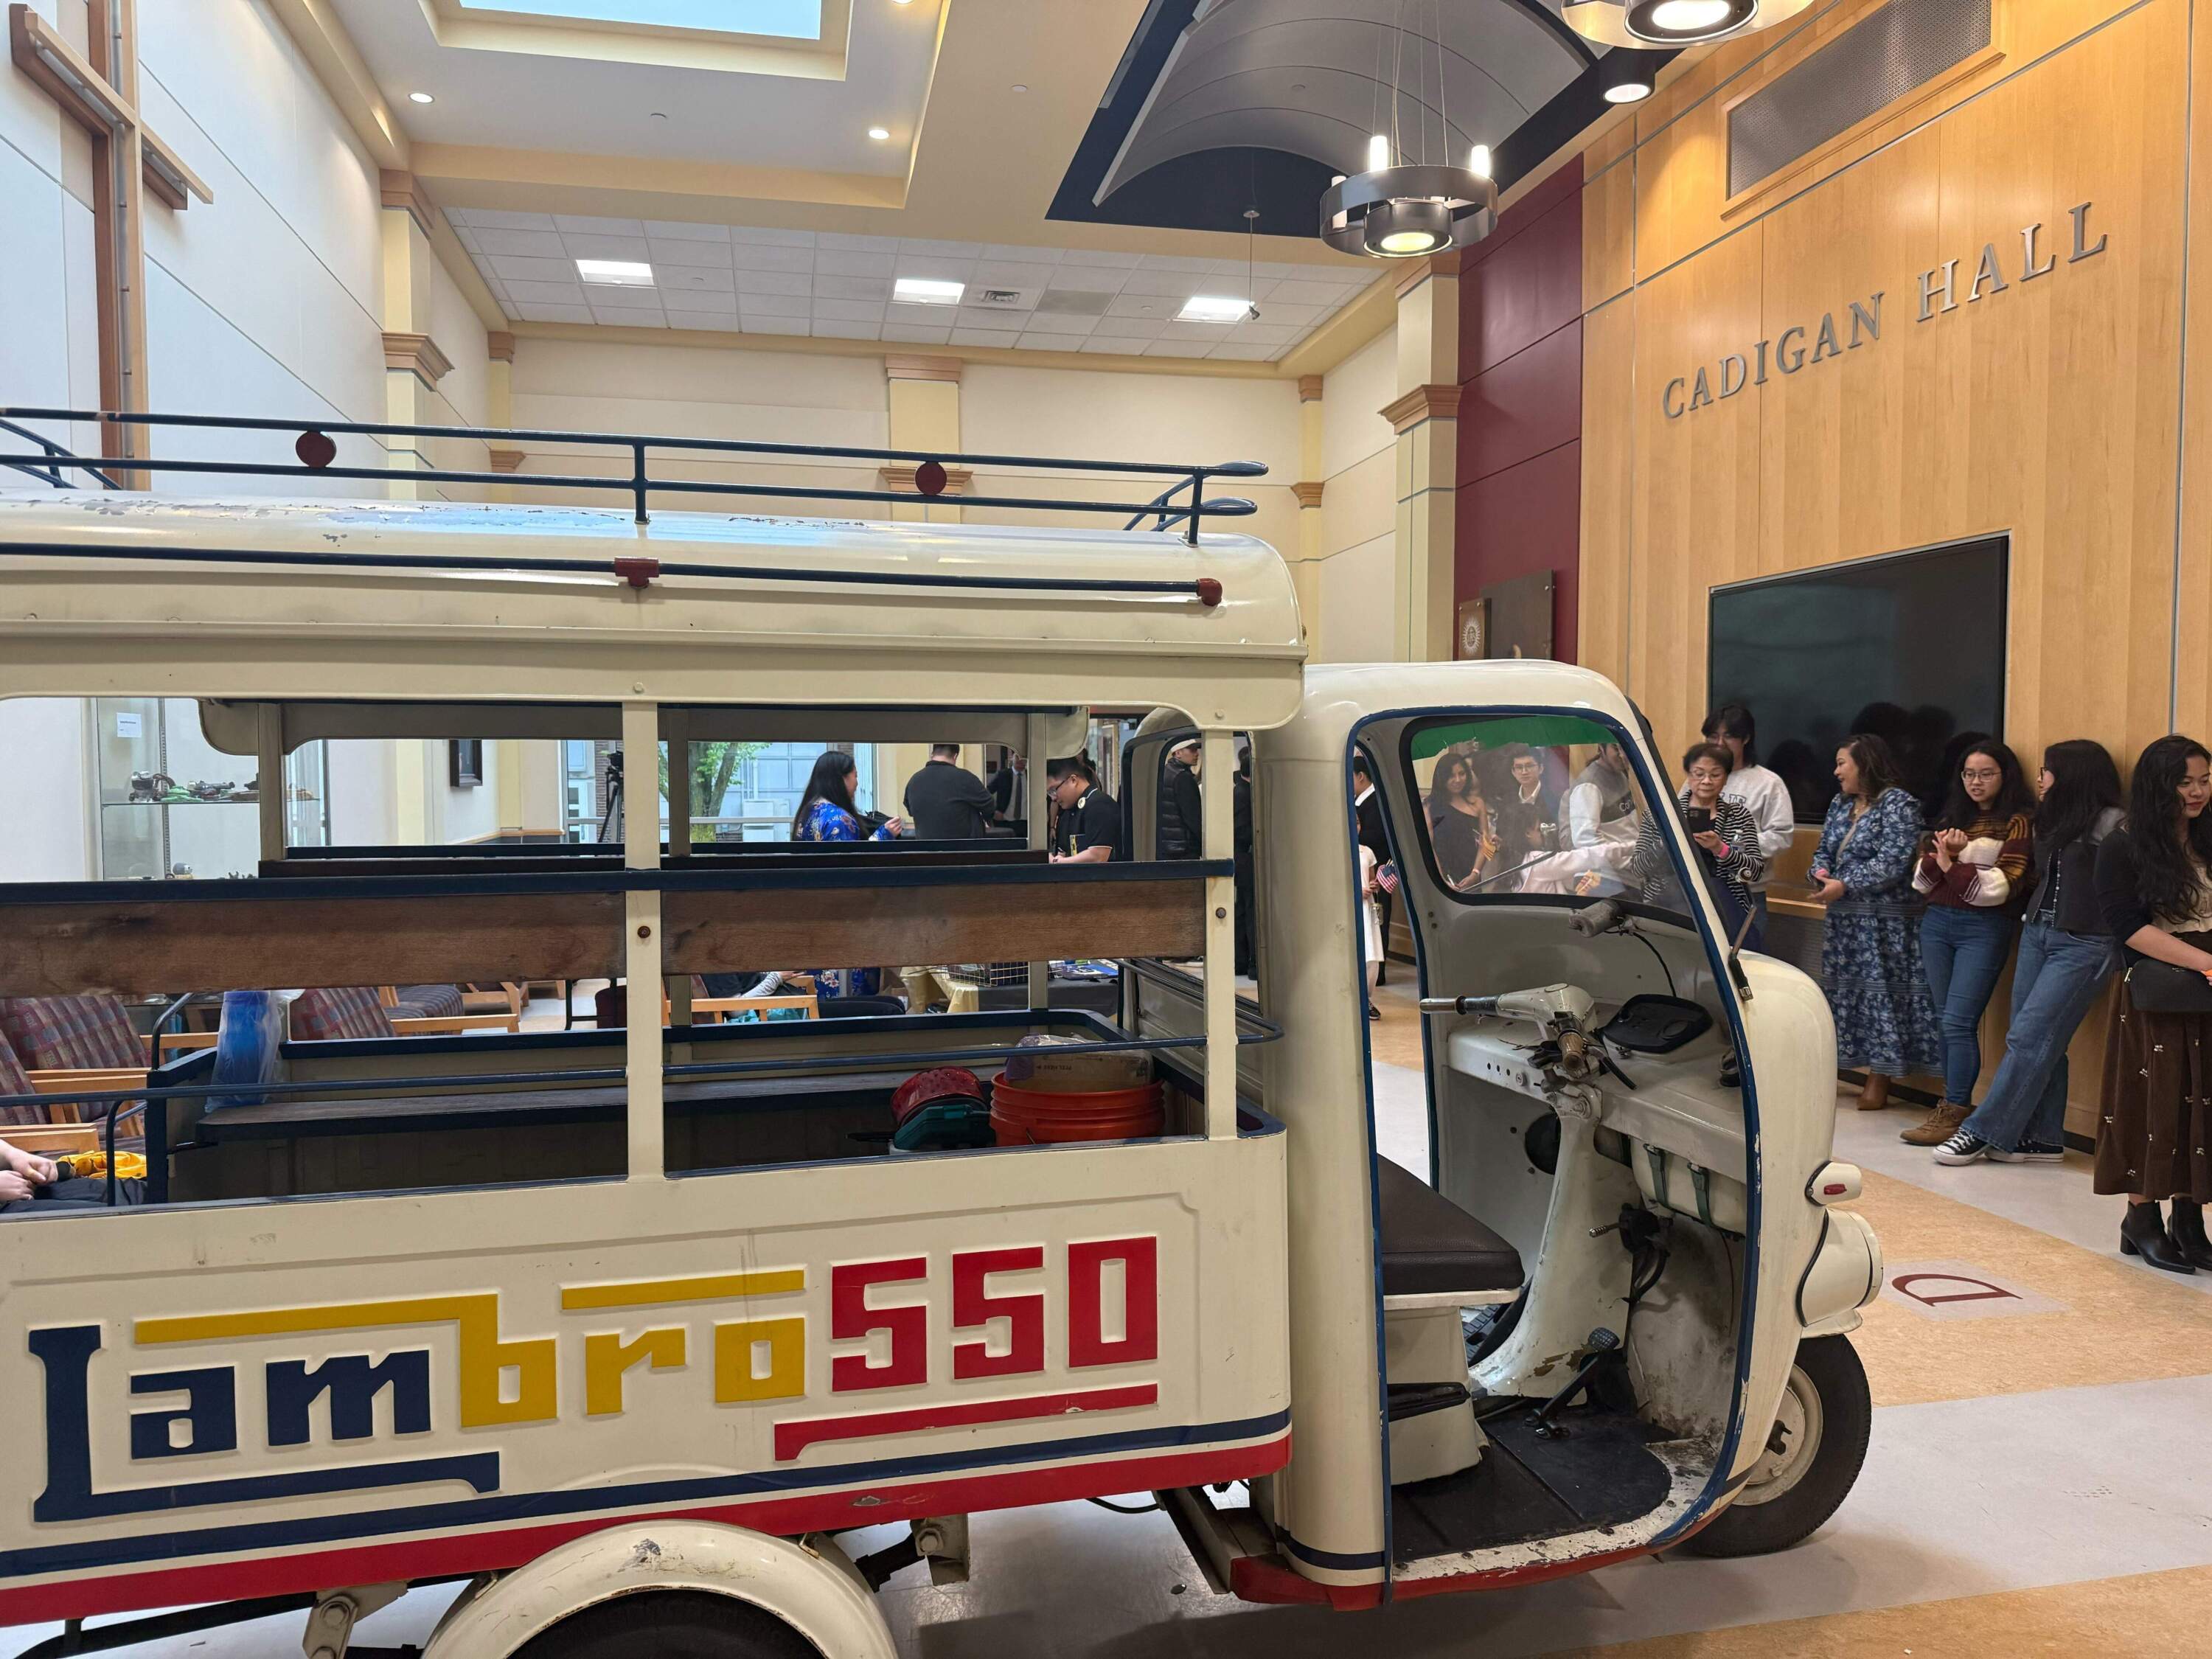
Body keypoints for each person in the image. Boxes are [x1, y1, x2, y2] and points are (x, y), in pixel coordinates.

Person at [1935, 740, 2124, 1166]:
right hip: (2038, 930)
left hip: (2086, 941)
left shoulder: (2113, 822)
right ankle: (2042, 1137)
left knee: (2029, 1037)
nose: (2040, 778)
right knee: (2040, 1038)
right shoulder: (2052, 817)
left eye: (2048, 770)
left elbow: (2125, 886)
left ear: (2073, 774)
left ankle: (1981, 1129)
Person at [2093, 734, 2212, 1274]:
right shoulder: (2125, 843)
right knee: (2157, 1101)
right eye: (2185, 782)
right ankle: (2141, 1220)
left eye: (2205, 780)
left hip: (2208, 979)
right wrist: (2202, 962)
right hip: (2160, 985)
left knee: (2204, 1102)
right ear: (2158, 785)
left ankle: (2190, 1217)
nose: (2197, 791)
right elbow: (2128, 928)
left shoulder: (2208, 833)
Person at [1900, 740, 2036, 1147]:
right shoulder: (1952, 817)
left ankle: (1956, 1109)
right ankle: (1949, 1104)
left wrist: (1950, 863)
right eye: (1969, 774)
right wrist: (1942, 861)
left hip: (1984, 926)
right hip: (1937, 924)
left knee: (1959, 1022)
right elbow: (1921, 883)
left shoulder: (2019, 821)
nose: (1976, 782)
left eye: (1986, 774)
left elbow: (1997, 890)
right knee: (1945, 1019)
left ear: (2005, 775)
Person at [1812, 734, 1942, 1111]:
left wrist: (1845, 884)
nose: (1836, 772)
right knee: (1845, 995)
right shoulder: (1840, 803)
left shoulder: (1899, 804)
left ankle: (1880, 1077)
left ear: (1864, 764)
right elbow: (1823, 849)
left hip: (1883, 923)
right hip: (1844, 919)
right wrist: (1819, 873)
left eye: (1842, 763)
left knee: (1881, 996)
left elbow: (1892, 862)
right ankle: (1840, 1069)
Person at [792, 751, 907, 998]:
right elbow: (854, 869)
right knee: (851, 996)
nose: (857, 782)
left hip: (815, 915)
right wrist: (883, 836)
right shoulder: (839, 819)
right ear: (841, 779)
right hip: (845, 920)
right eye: (855, 775)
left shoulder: (809, 812)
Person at [1631, 742, 1767, 933]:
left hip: (1724, 911)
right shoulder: (1659, 815)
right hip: (1668, 907)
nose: (1707, 781)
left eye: (1716, 774)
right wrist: (1667, 841)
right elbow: (1638, 868)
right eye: (1699, 773)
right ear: (1689, 775)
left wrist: (1721, 849)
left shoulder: (1739, 815)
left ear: (1726, 778)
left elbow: (1755, 871)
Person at [1703, 704, 1796, 933]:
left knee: (1747, 962)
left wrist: (1732, 846)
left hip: (1747, 892)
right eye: (1713, 736)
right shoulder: (1698, 778)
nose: (1719, 744)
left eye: (1728, 737)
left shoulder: (1768, 783)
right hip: (1702, 889)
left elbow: (1781, 836)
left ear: (1745, 739)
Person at [1426, 751, 1500, 891]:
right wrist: (1441, 880)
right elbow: (1428, 846)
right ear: (1441, 778)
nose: (1458, 780)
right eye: (1451, 776)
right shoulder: (1429, 806)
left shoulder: (1477, 803)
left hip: (1472, 877)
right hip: (1444, 879)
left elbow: (1485, 842)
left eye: (1462, 774)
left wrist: (1475, 873)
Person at [1353, 754, 1393, 986]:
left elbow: (1377, 836)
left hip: (1375, 871)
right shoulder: (1359, 801)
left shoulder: (1376, 801)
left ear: (1361, 776)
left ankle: (1379, 971)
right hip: (1364, 870)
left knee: (1378, 919)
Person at [902, 743, 993, 841]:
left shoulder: (914, 781)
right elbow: (989, 805)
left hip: (926, 849)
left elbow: (911, 811)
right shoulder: (965, 778)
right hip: (962, 849)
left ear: (932, 754)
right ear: (955, 756)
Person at [1047, 754, 1120, 863]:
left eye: (1054, 790)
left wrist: (1057, 862)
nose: (1053, 797)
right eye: (1049, 793)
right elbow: (1062, 853)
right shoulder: (1067, 812)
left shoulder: (1100, 805)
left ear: (1073, 780)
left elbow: (1098, 856)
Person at [1158, 739, 1205, 860]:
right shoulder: (1183, 778)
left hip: (1167, 845)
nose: (1197, 754)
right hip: (1184, 847)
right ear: (1178, 753)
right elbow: (1192, 816)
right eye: (1192, 750)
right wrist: (1204, 842)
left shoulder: (1164, 772)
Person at [990, 751, 1027, 826]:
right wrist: (994, 810)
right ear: (1012, 759)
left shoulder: (1032, 776)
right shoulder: (1002, 775)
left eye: (1022, 759)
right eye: (1017, 758)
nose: (1020, 761)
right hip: (1005, 819)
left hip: (1026, 820)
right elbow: (988, 792)